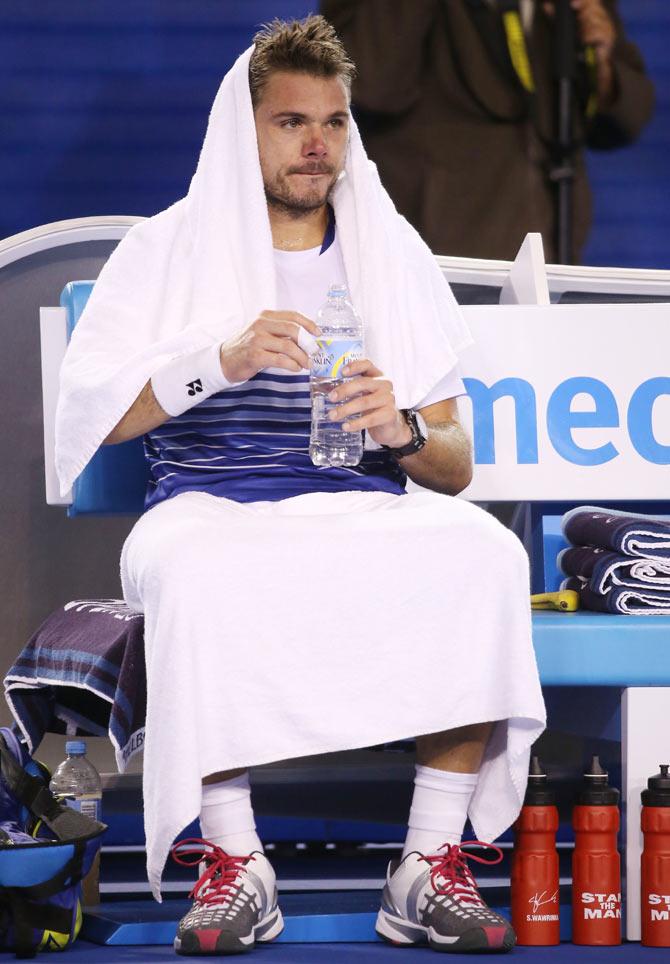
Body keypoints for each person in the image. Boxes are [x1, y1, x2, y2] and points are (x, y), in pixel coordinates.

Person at [55, 16, 545, 957]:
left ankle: (426, 866)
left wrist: (399, 426)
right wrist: (218, 361)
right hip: (209, 504)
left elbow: (454, 462)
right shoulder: (165, 249)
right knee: (192, 575)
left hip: (359, 504)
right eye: (291, 122)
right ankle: (237, 864)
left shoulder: (389, 252)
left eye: (334, 121)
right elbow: (92, 420)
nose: (318, 144)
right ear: (243, 131)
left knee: (485, 552)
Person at [321, 0, 655, 262]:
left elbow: (626, 121)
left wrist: (602, 65)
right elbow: (368, 83)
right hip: (434, 257)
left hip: (555, 245)